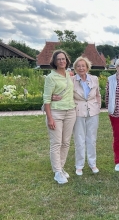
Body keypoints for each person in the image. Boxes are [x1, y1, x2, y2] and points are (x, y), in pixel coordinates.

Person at [43, 50, 76, 184]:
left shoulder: (69, 74)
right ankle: (57, 171)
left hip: (70, 112)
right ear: (55, 62)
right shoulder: (51, 77)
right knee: (56, 143)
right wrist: (50, 118)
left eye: (63, 59)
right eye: (59, 59)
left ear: (67, 60)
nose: (62, 61)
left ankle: (61, 167)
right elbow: (46, 99)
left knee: (66, 142)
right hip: (56, 113)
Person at [71, 57, 101, 176]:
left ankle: (92, 163)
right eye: (78, 66)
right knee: (79, 139)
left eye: (83, 66)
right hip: (78, 112)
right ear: (75, 68)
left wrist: (98, 106)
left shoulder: (94, 79)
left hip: (93, 112)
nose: (81, 68)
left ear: (87, 67)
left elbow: (98, 94)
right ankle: (79, 165)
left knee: (92, 139)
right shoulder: (71, 80)